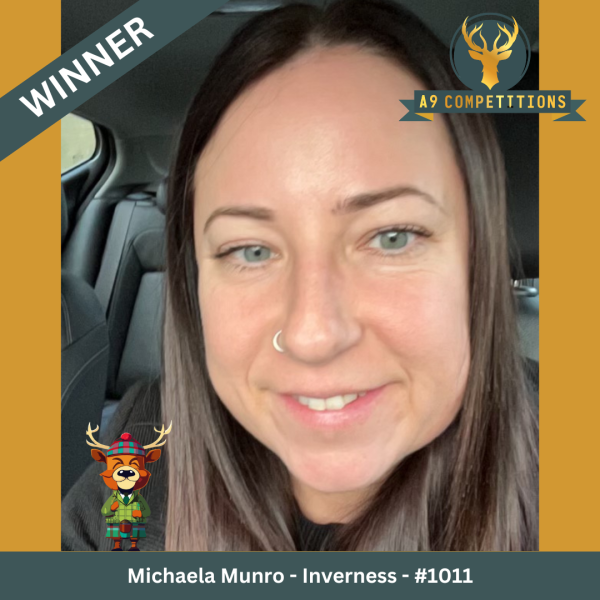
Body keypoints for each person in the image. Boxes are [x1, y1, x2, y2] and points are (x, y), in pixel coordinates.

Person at [62, 0, 538, 551]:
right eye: (251, 251)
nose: (313, 336)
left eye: (392, 237)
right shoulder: (145, 445)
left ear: (476, 258)